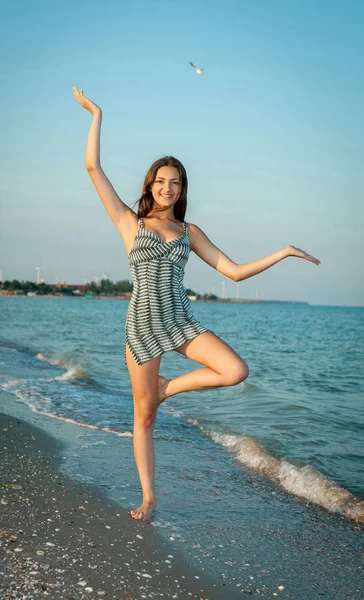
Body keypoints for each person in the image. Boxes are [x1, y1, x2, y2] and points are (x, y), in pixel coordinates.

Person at [73, 86, 321, 522]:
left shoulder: (191, 232)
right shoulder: (130, 223)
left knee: (235, 371)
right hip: (143, 327)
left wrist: (282, 252)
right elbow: (93, 166)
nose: (168, 188)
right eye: (161, 181)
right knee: (144, 417)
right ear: (151, 184)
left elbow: (235, 272)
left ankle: (169, 387)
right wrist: (97, 113)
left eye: (176, 182)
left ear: (182, 188)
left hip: (181, 321)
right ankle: (149, 497)